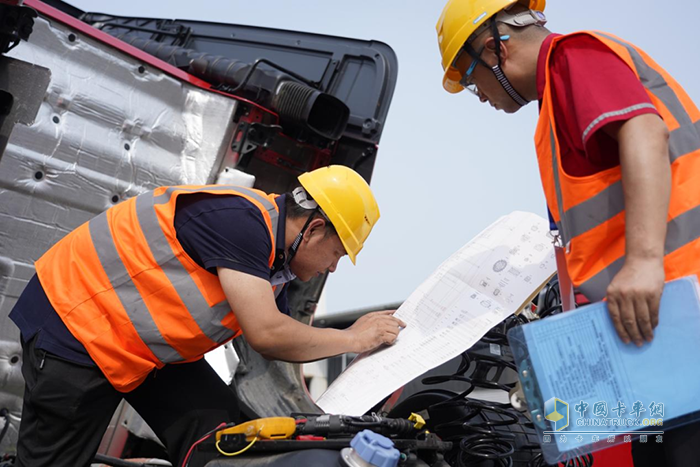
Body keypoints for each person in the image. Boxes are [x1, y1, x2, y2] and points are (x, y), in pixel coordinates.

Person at [435, 1, 700, 465]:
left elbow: (643, 130)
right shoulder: (554, 107)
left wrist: (642, 261)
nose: (477, 94)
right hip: (656, 323)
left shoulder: (572, 58)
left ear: (495, 48)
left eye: (470, 76)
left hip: (680, 307)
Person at [9, 164, 406, 467]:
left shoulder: (273, 260)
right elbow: (267, 334)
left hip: (141, 348)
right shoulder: (242, 223)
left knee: (221, 431)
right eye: (337, 254)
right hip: (75, 332)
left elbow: (282, 340)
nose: (333, 268)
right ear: (316, 228)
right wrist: (355, 338)